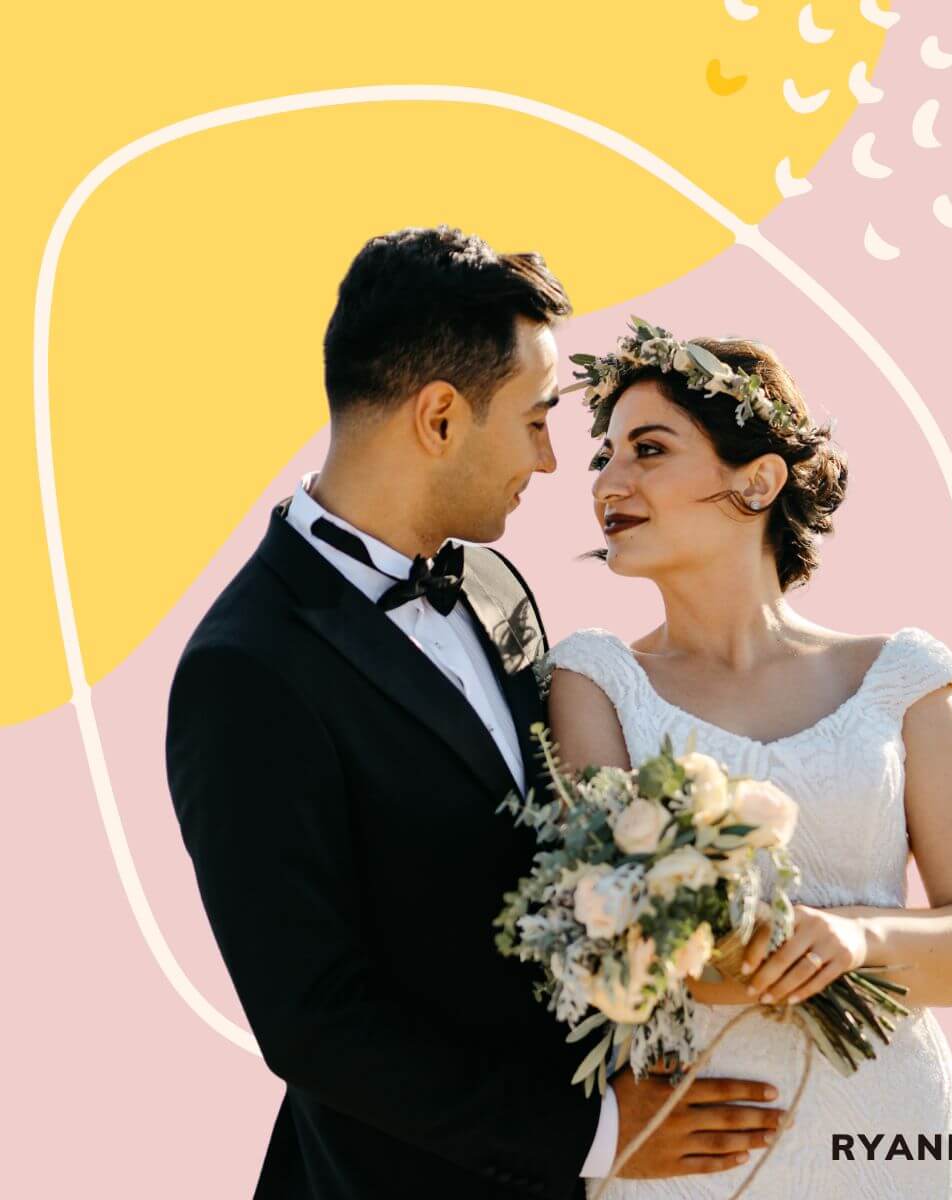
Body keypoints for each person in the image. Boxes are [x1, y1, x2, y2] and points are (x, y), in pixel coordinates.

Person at [164, 228, 785, 1200]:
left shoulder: (494, 584)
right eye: (536, 420)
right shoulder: (246, 669)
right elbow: (313, 1018)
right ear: (442, 418)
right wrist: (596, 1134)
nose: (549, 461)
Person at [543, 326, 952, 1198]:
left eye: (649, 450)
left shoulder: (900, 680)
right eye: (603, 457)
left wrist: (858, 937)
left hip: (885, 1131)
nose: (609, 484)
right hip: (694, 1136)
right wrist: (723, 951)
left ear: (758, 480)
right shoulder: (594, 682)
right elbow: (602, 924)